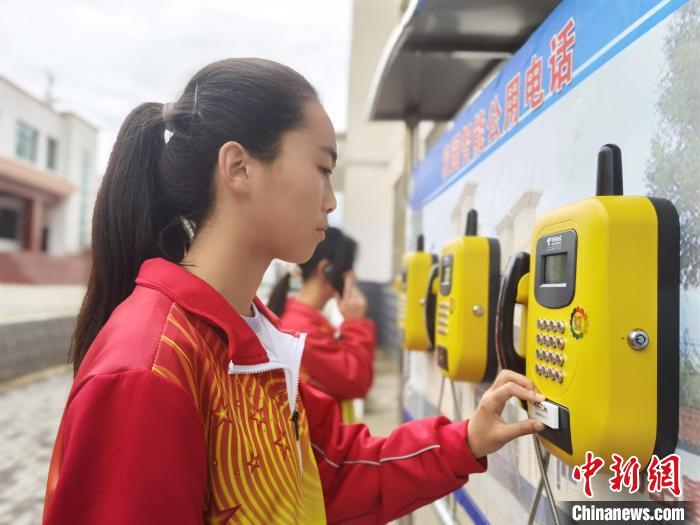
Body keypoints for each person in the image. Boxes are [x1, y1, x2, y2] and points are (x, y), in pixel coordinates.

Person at [43, 58, 546, 525]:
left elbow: (329, 471)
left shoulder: (254, 338)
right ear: (238, 167)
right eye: (323, 169)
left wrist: (466, 440)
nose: (330, 201)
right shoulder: (148, 369)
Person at [267, 227, 374, 422]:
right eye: (348, 267)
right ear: (326, 268)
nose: (354, 276)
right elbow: (356, 382)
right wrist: (356, 324)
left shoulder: (301, 318)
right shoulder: (303, 329)